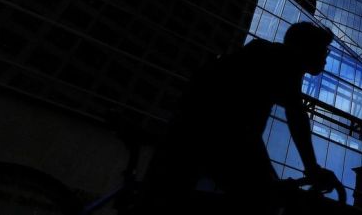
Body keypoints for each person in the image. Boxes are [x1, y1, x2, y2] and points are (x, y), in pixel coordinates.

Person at [137, 22, 343, 213]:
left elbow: (253, 129)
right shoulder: (281, 61)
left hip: (202, 133)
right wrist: (312, 169)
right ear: (303, 48)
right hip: (210, 135)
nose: (325, 57)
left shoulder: (271, 58)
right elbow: (295, 117)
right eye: (323, 50)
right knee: (261, 198)